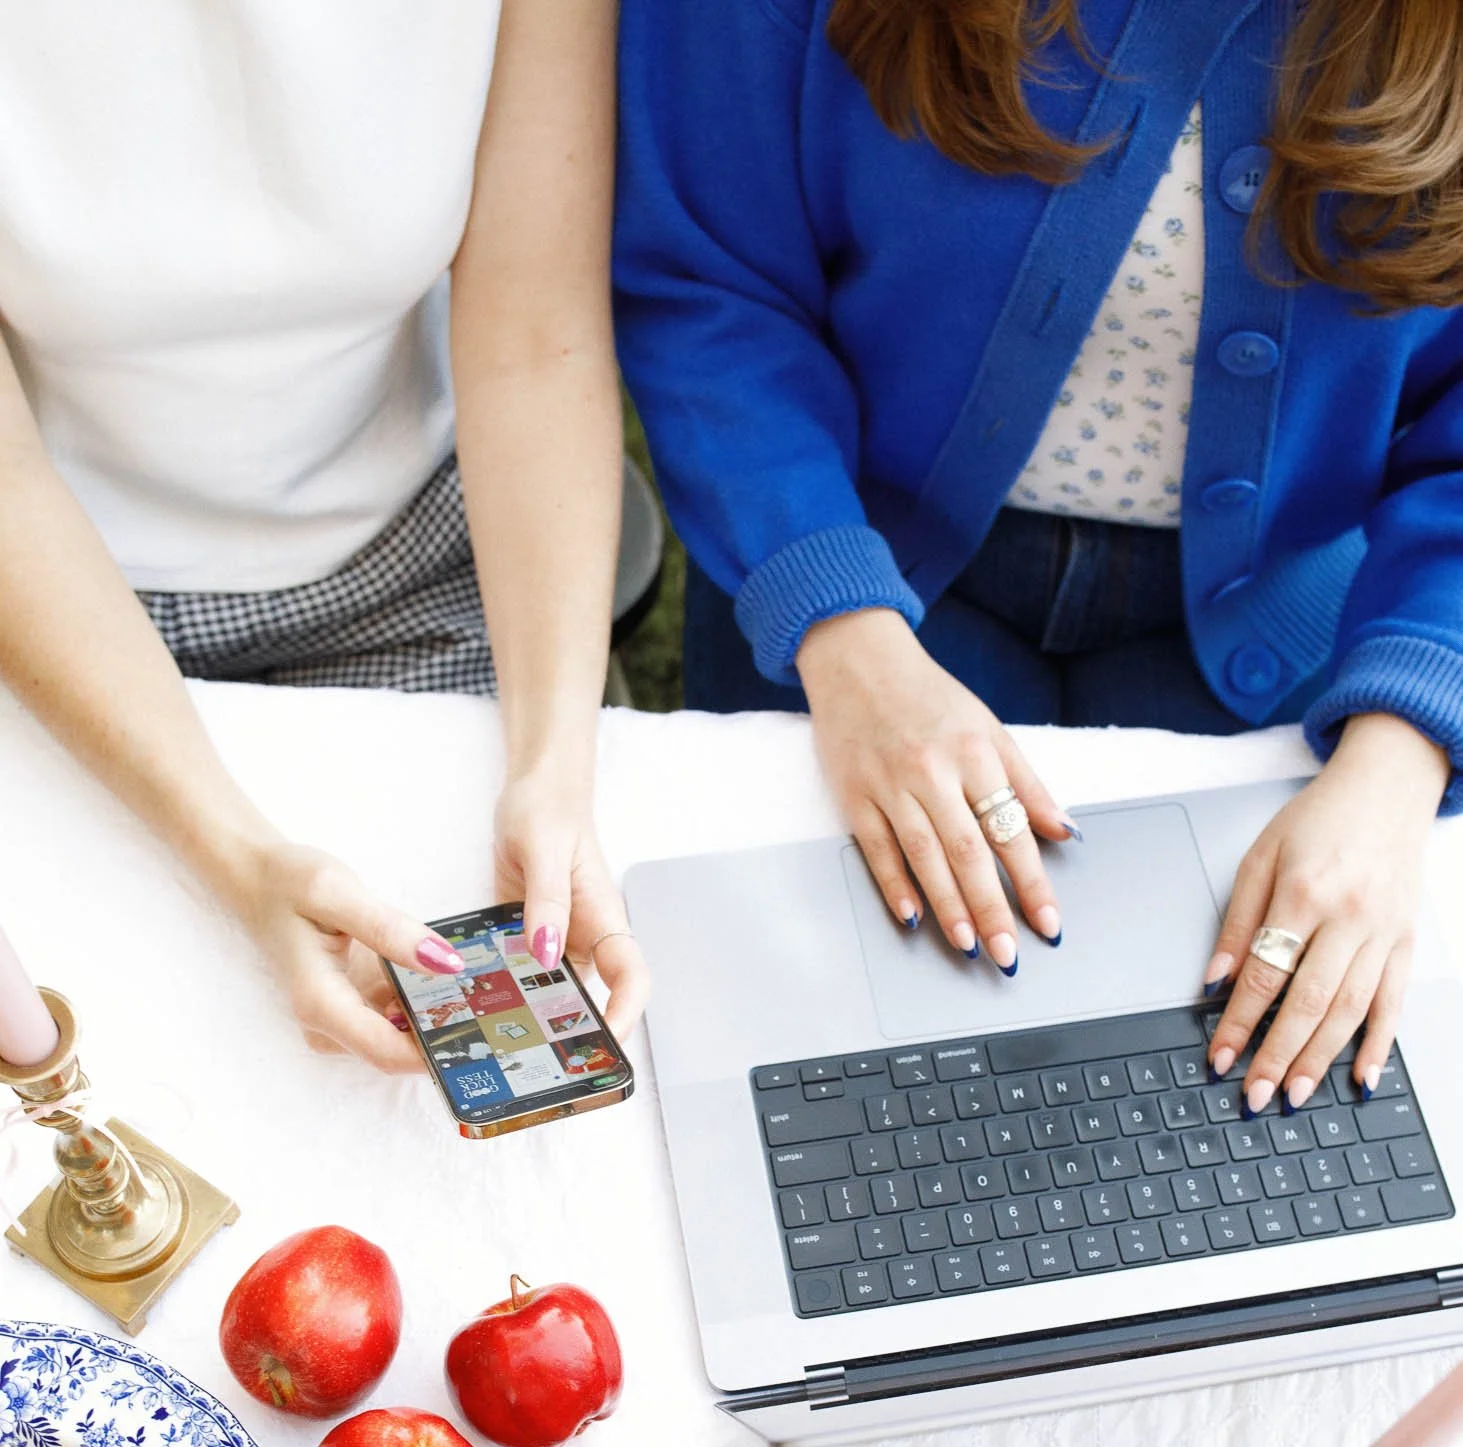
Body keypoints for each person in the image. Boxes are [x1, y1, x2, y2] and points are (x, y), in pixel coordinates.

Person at [615, 0, 1463, 1115]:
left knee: (1203, 1127)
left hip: (1309, 623)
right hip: (843, 565)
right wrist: (843, 636)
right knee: (815, 1068)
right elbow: (708, 282)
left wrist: (1401, 751)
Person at [0, 0, 646, 1070]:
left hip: (425, 556)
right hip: (59, 598)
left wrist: (552, 767)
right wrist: (242, 861)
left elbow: (534, 338)